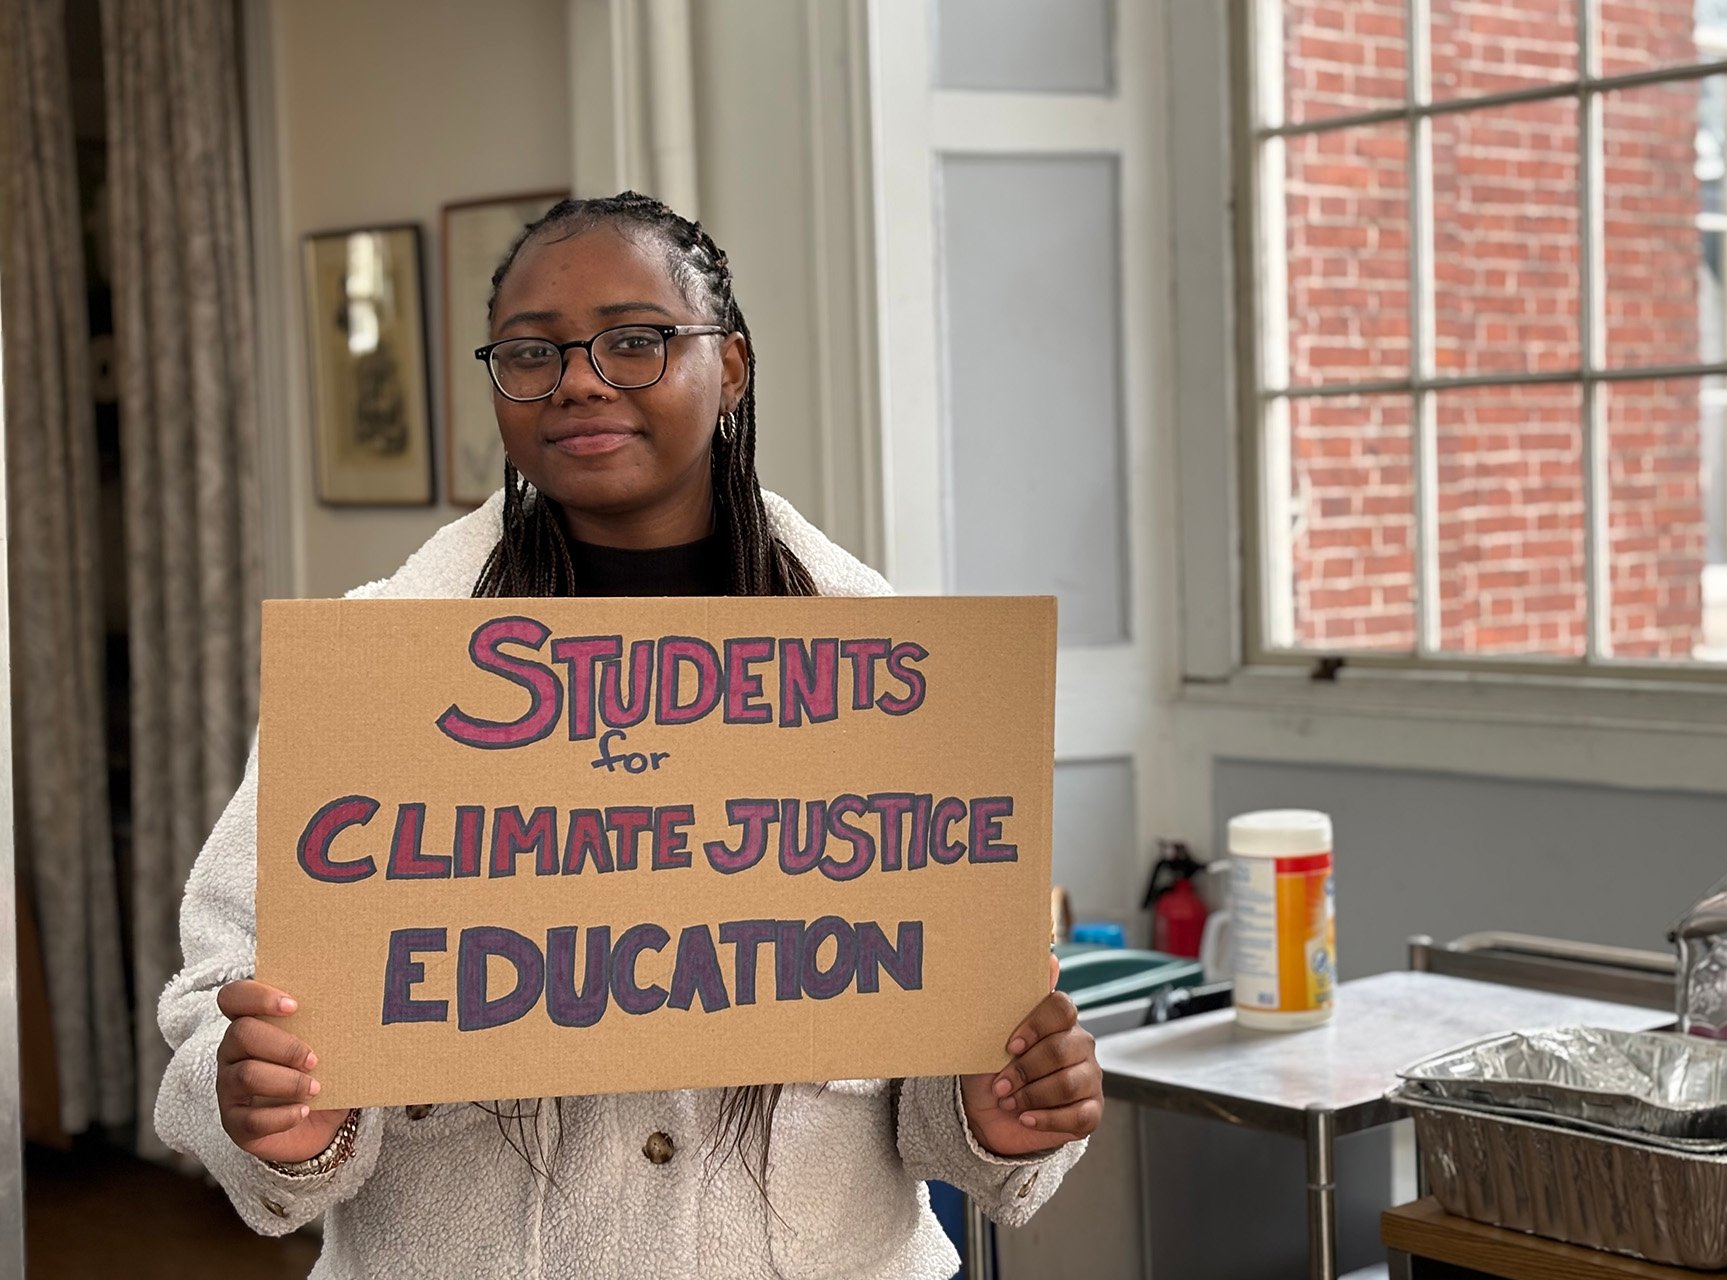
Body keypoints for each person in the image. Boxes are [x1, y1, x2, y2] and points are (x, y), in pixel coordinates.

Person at [154, 192, 1103, 1278]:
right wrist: (269, 1100)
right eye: (532, 352)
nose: (580, 379)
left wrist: (997, 1106)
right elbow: (220, 995)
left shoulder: (888, 677)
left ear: (731, 367)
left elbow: (951, 1035)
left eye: (637, 340)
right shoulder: (376, 665)